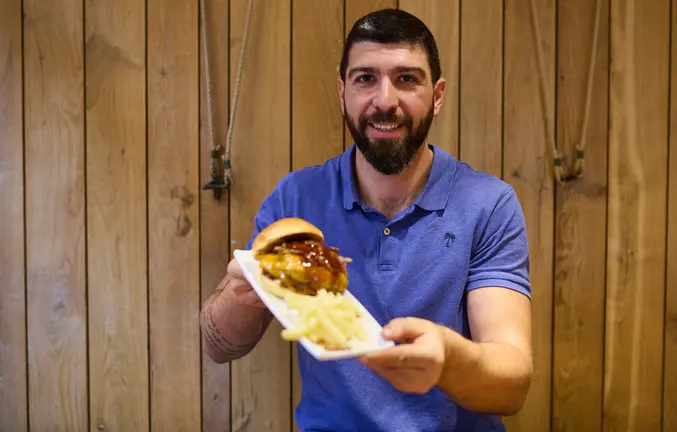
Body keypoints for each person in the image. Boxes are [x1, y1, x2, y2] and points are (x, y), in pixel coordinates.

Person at [200, 8, 533, 432]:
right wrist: (242, 294)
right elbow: (218, 346)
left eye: (407, 79)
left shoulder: (490, 205)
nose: (385, 101)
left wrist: (448, 359)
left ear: (438, 94)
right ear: (342, 94)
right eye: (365, 79)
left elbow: (513, 385)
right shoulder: (295, 198)